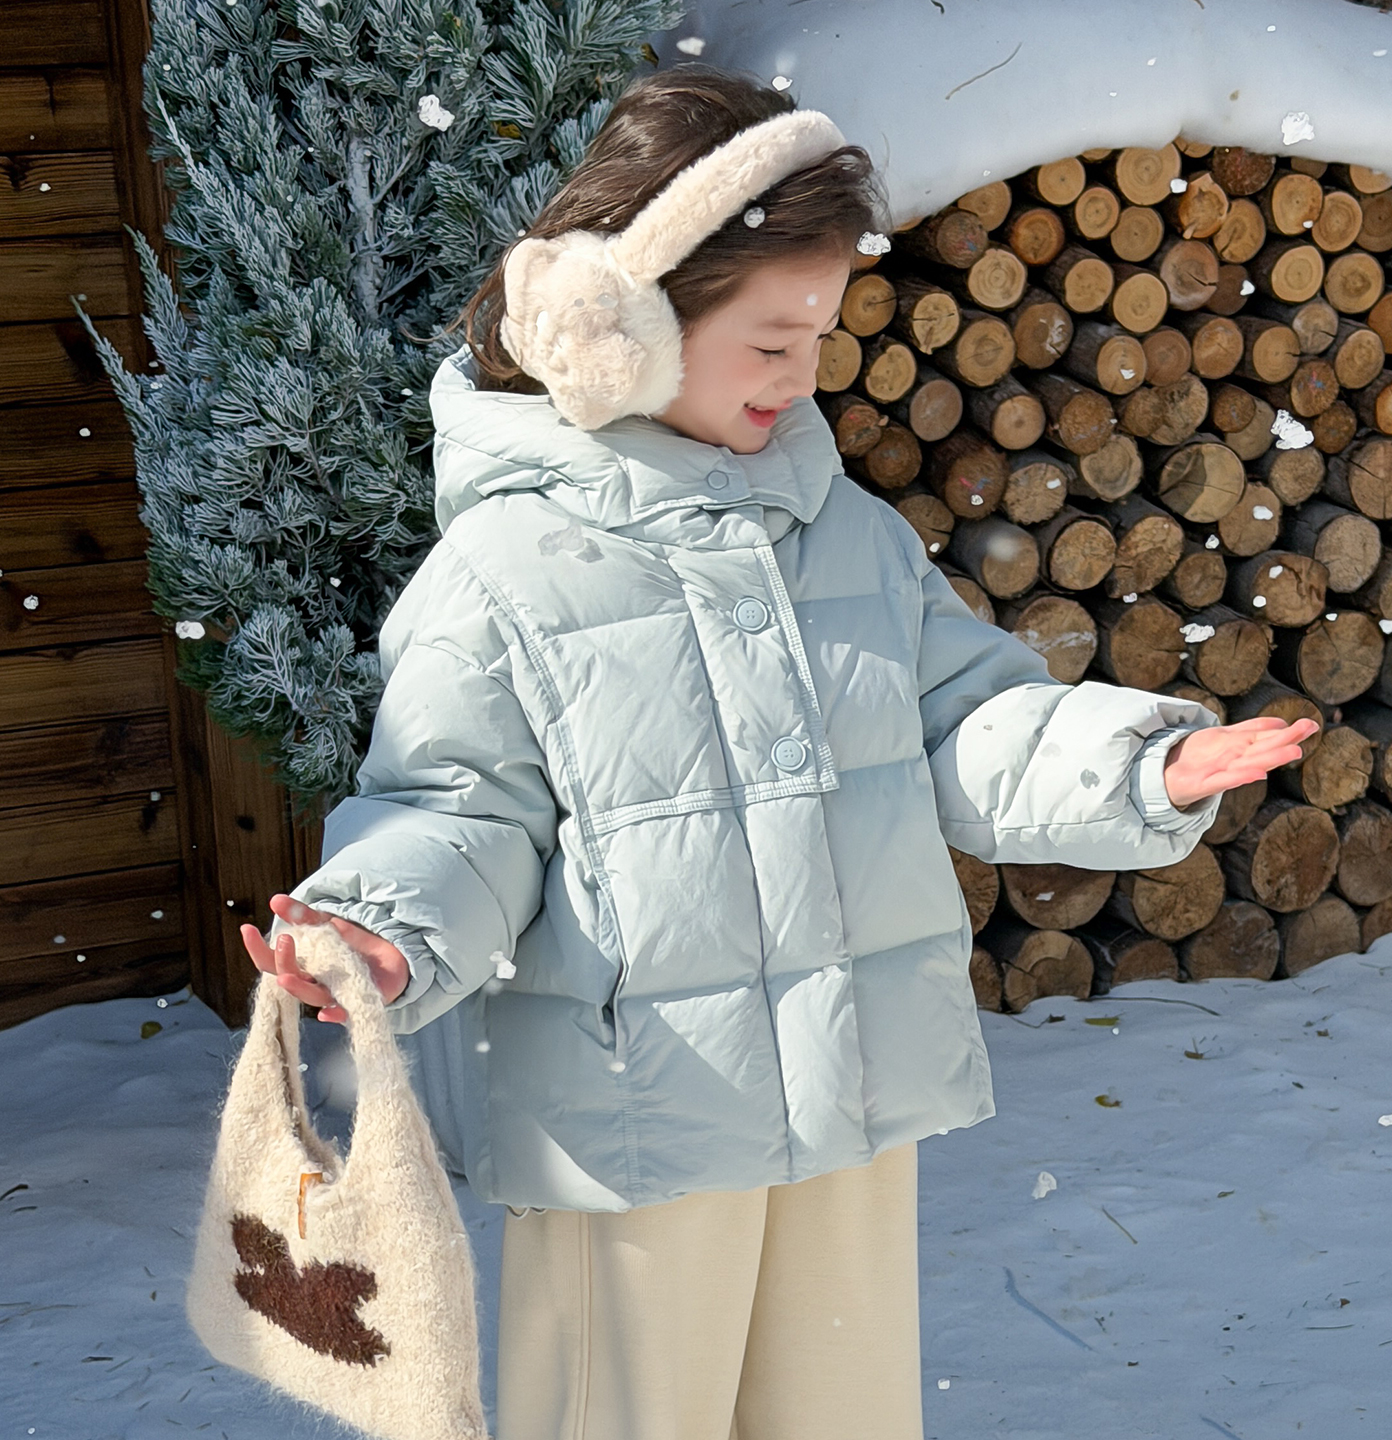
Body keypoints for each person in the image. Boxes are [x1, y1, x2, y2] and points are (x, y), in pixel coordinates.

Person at [240, 63, 1316, 1440]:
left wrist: (1131, 766)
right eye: (768, 338)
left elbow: (962, 721)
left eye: (819, 331)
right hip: (641, 1123)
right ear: (623, 328)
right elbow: (455, 811)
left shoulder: (841, 534)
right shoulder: (507, 573)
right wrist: (386, 932)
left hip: (846, 1099)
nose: (802, 373)